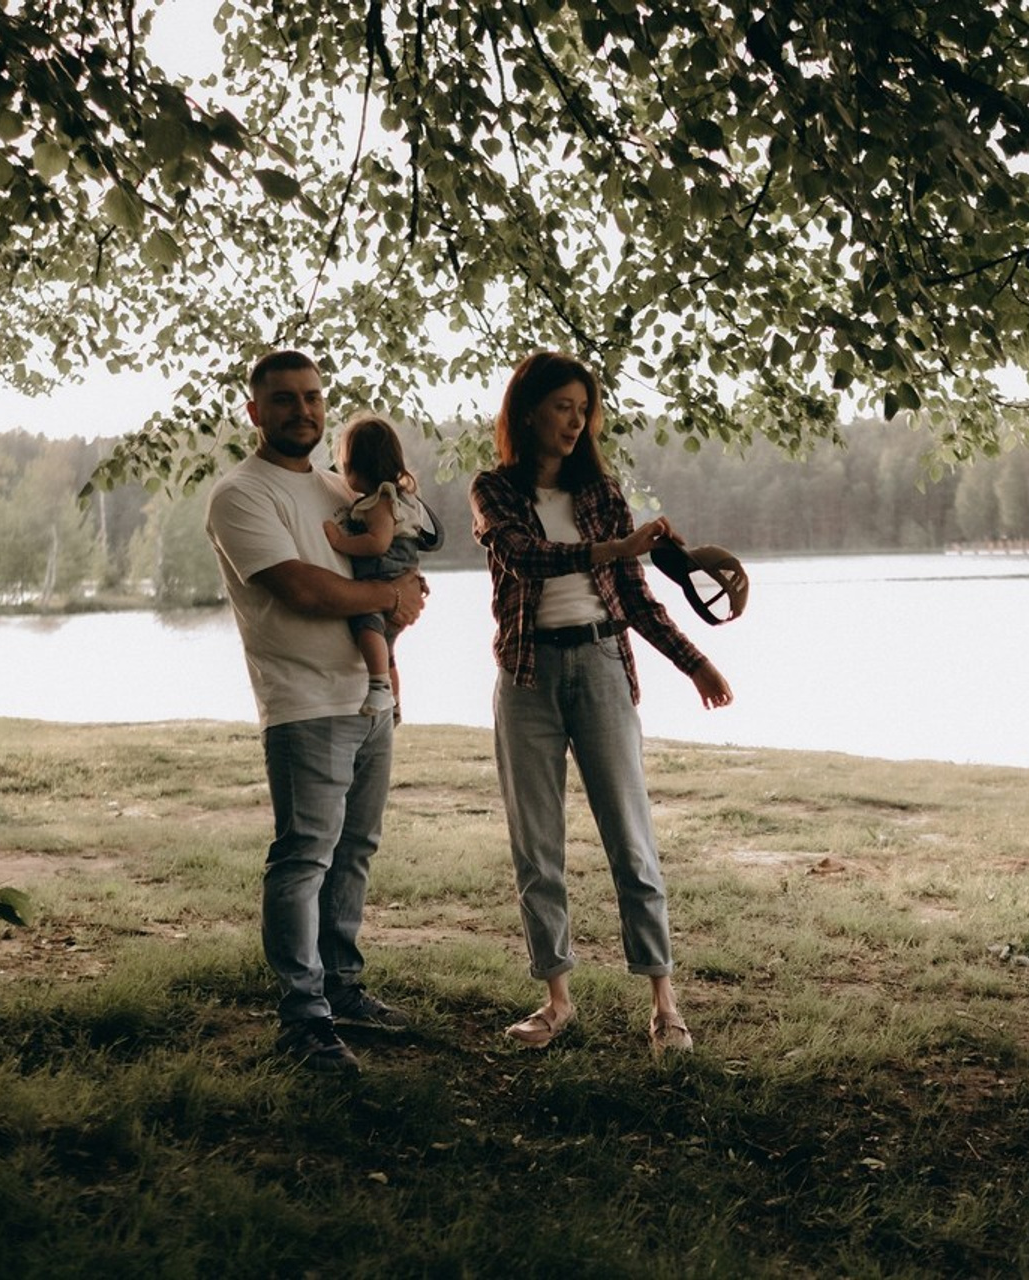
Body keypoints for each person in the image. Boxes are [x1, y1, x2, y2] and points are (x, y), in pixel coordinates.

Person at [469, 350, 734, 1056]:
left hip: (601, 666)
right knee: (537, 847)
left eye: (583, 410)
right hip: (526, 677)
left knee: (632, 840)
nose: (575, 422)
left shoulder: (601, 493)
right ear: (528, 411)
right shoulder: (492, 490)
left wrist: (696, 662)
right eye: (563, 407)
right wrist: (617, 546)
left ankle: (664, 1004)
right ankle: (557, 1000)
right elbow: (524, 555)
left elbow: (637, 600)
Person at [206, 350, 428, 1075]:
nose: (302, 410)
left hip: (369, 699)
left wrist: (399, 620)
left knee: (355, 851)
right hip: (303, 705)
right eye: (284, 399)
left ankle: (343, 989)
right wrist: (389, 597)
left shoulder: (341, 488)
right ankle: (303, 1020)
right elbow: (301, 588)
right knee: (304, 859)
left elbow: (390, 570)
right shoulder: (241, 494)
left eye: (312, 397)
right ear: (254, 412)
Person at [323, 412, 440, 722]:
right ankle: (395, 705)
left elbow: (378, 543)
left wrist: (341, 541)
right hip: (401, 577)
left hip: (385, 576)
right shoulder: (401, 497)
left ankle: (378, 687)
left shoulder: (379, 502)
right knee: (387, 652)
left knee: (367, 626)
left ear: (357, 468)